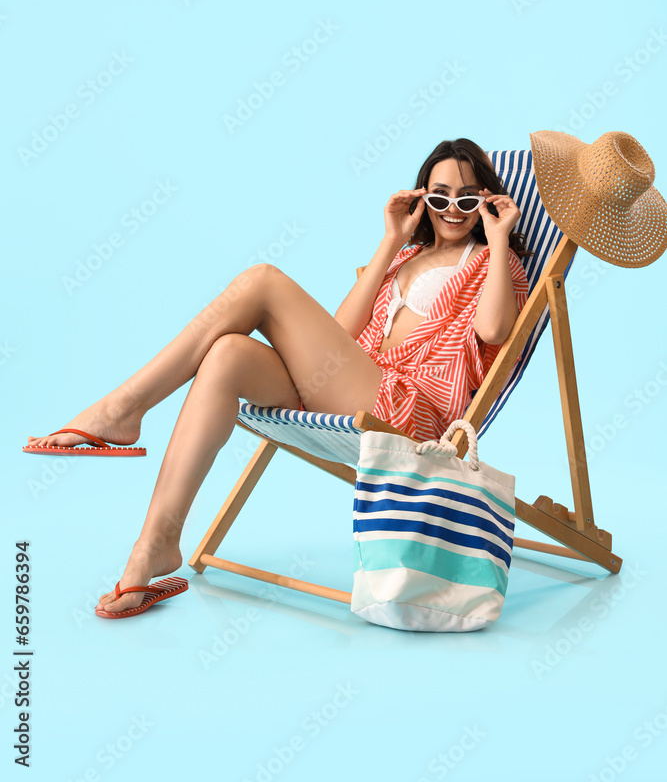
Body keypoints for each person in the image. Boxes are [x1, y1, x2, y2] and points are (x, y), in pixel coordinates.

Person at [25, 137, 530, 616]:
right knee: (226, 354)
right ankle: (156, 543)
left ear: (487, 202)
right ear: (421, 196)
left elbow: (493, 329)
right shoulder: (404, 256)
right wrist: (391, 241)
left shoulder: (493, 262)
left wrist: (500, 237)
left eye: (468, 200)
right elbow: (341, 332)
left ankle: (122, 409)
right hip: (353, 385)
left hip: (408, 411)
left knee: (262, 280)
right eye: (439, 196)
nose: (452, 210)